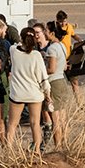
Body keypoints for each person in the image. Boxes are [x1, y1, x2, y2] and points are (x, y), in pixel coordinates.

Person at [6, 27, 51, 155]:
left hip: (18, 94)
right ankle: (36, 150)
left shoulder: (13, 51)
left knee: (12, 124)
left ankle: (8, 152)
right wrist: (47, 94)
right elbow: (43, 78)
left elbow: (16, 45)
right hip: (34, 94)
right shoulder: (36, 55)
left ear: (22, 38)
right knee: (35, 123)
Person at [45, 21, 73, 148]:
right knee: (62, 119)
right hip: (62, 81)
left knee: (55, 119)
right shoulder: (61, 45)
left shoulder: (51, 48)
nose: (45, 32)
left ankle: (58, 147)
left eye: (46, 30)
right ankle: (65, 144)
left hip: (54, 82)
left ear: (51, 33)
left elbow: (51, 69)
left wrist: (39, 72)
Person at [55, 10, 84, 94]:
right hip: (60, 58)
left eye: (64, 21)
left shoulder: (69, 27)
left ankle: (80, 103)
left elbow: (73, 35)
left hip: (69, 57)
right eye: (60, 22)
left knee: (74, 82)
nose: (63, 24)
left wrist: (78, 39)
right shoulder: (55, 29)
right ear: (57, 20)